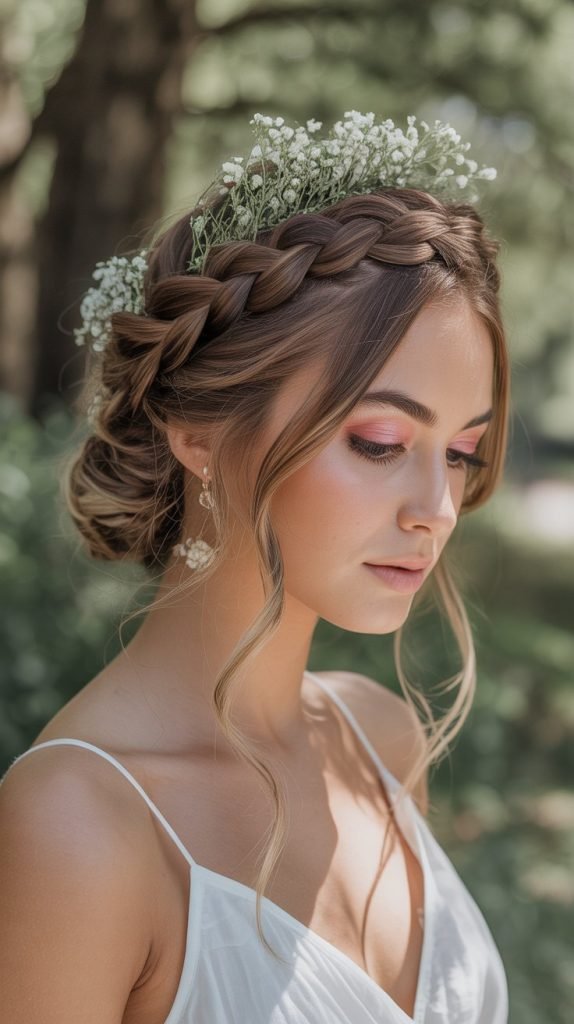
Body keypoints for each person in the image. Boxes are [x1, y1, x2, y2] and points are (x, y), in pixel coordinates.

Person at [0, 111, 509, 1023]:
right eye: (382, 440)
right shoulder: (78, 827)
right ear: (199, 433)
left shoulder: (382, 740)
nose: (436, 507)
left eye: (462, 452)